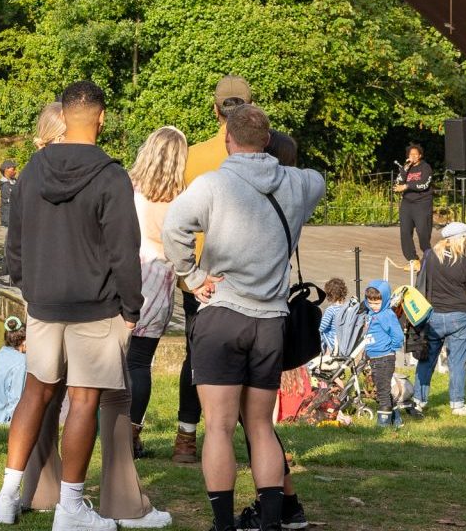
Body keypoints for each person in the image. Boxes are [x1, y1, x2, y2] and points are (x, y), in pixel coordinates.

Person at [158, 103, 325, 531]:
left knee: (217, 426)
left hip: (222, 313)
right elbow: (317, 180)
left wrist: (192, 276)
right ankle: (271, 521)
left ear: (227, 140)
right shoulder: (298, 184)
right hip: (270, 319)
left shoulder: (213, 184)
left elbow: (174, 225)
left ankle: (223, 523)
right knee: (260, 426)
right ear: (267, 141)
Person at [0, 81, 143, 530]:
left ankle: (6, 495)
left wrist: (28, 284)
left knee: (35, 392)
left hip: (43, 302)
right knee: (83, 400)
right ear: (101, 118)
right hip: (95, 305)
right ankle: (71, 508)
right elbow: (123, 250)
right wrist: (131, 308)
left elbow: (13, 240)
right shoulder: (111, 175)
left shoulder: (34, 169)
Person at [171, 75, 298, 466]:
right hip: (261, 281)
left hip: (205, 277)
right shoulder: (271, 155)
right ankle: (259, 441)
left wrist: (189, 276)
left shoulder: (192, 156)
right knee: (255, 371)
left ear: (215, 109)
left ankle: (187, 437)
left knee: (197, 356)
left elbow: (177, 217)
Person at [126, 125, 185, 453]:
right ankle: (132, 433)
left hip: (129, 276)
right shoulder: (182, 197)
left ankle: (109, 426)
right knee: (140, 362)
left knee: (117, 360)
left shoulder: (129, 189)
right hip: (160, 284)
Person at [415, 222, 466, 416]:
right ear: (460, 239)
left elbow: (421, 283)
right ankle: (457, 403)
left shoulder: (430, 257)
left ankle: (418, 399)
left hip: (433, 315)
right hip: (460, 316)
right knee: (457, 363)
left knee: (427, 359)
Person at [354, 282, 404, 427]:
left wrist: (390, 348)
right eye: (370, 302)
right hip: (375, 357)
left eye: (377, 303)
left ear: (385, 299)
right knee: (384, 388)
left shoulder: (387, 315)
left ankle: (383, 424)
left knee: (382, 393)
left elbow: (398, 335)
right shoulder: (372, 312)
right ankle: (396, 420)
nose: (373, 306)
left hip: (384, 357)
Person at [394, 144, 433, 265]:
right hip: (407, 203)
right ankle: (412, 259)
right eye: (411, 154)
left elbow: (424, 184)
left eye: (416, 154)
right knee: (405, 232)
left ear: (420, 155)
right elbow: (398, 182)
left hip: (422, 203)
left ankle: (428, 256)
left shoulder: (426, 168)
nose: (413, 156)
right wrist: (405, 169)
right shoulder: (406, 168)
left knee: (422, 232)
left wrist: (406, 186)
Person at [0, 159, 21, 231]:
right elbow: (11, 200)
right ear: (6, 170)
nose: (15, 171)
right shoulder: (5, 185)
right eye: (13, 169)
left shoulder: (14, 181)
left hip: (16, 217)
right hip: (9, 218)